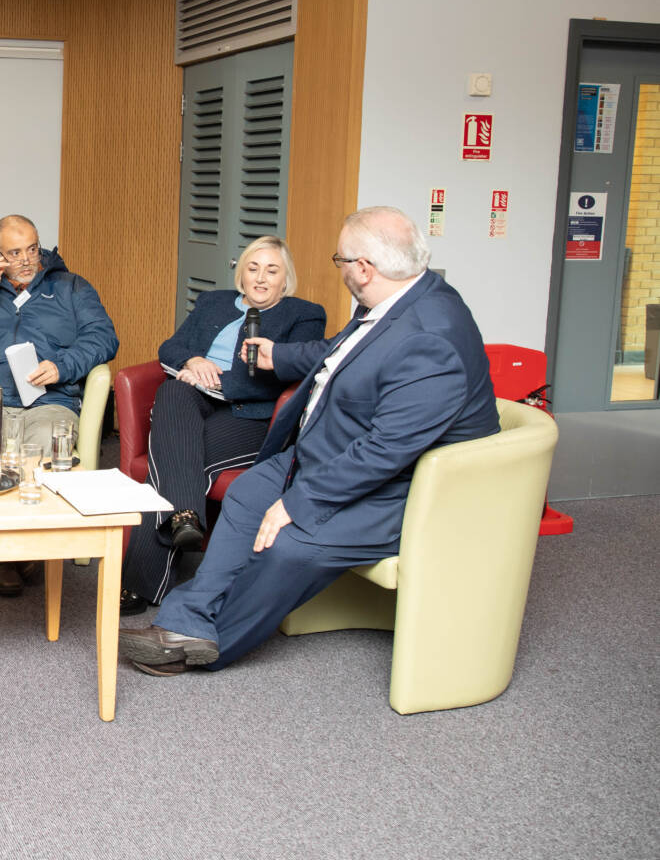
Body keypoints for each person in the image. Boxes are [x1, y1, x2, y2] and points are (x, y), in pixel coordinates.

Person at [119, 207, 499, 675]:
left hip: (402, 488)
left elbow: (386, 451)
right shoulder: (396, 299)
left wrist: (299, 501)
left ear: (364, 268)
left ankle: (210, 641)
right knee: (246, 494)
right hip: (326, 452)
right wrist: (278, 356)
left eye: (340, 260)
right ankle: (185, 619)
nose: (339, 269)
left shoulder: (431, 337)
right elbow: (341, 350)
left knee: (291, 545)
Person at [119, 236, 325, 616]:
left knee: (175, 458)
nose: (260, 278)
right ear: (241, 273)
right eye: (253, 268)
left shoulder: (304, 314)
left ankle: (140, 582)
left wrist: (218, 382)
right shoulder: (212, 302)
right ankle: (185, 515)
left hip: (251, 414)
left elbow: (294, 374)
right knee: (172, 392)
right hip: (193, 398)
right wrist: (194, 361)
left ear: (285, 279)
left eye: (272, 271)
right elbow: (170, 348)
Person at [0, 213, 119, 597]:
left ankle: (20, 549)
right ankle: (5, 553)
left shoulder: (71, 287)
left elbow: (103, 338)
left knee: (41, 453)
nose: (26, 260)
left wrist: (63, 366)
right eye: (15, 252)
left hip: (49, 399)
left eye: (32, 249)